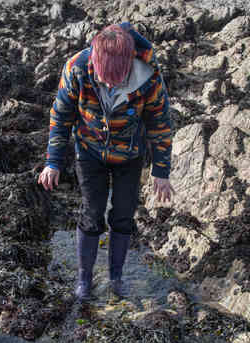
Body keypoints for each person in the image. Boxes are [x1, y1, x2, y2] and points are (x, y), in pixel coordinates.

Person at [38, 22, 174, 300]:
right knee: (92, 214)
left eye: (118, 80)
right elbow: (61, 116)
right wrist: (53, 162)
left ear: (130, 63)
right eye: (104, 79)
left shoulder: (148, 76)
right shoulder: (76, 67)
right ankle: (84, 280)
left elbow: (159, 123)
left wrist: (161, 170)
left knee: (123, 216)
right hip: (89, 154)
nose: (111, 84)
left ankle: (116, 278)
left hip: (130, 156)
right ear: (95, 61)